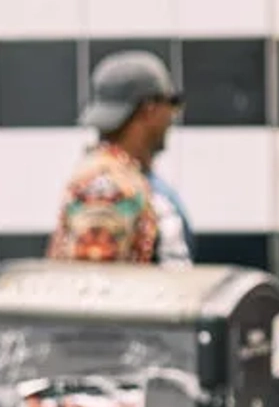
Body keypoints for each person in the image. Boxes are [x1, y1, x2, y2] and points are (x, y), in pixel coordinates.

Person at [47, 51, 192, 265]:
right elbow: (92, 284)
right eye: (172, 103)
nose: (172, 116)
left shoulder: (125, 176)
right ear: (148, 109)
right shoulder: (105, 188)